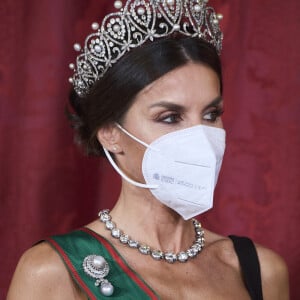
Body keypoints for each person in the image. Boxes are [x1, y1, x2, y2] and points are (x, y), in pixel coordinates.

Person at [7, 0, 289, 299]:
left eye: (210, 114)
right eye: (169, 117)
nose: (200, 137)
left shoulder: (261, 271)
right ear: (110, 133)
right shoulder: (55, 272)